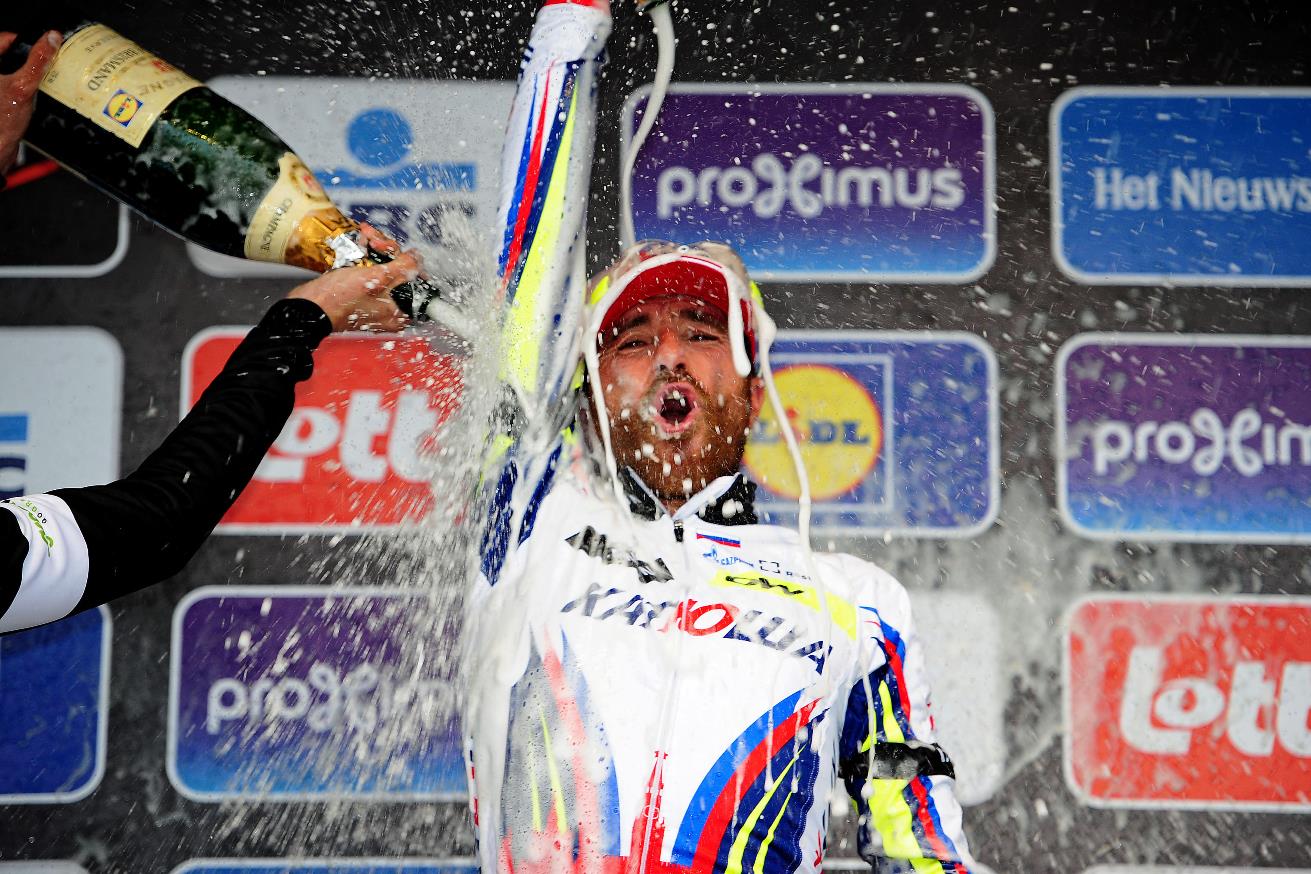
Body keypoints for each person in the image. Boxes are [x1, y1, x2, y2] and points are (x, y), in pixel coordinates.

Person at [464, 240, 977, 873]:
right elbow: (524, 301)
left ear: (756, 394)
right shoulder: (530, 528)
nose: (670, 357)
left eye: (703, 335)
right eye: (632, 341)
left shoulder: (856, 602)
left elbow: (923, 855)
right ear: (592, 399)